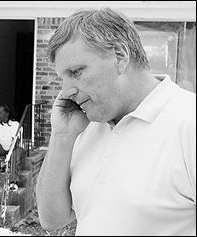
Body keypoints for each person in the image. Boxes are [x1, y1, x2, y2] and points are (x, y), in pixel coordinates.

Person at [36, 8, 196, 236]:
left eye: (76, 72)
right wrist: (61, 137)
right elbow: (51, 219)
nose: (66, 91)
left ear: (120, 56)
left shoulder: (189, 120)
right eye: (62, 78)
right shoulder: (86, 123)